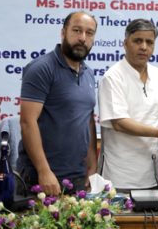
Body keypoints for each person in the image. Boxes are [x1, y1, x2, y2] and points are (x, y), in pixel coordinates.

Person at [16, 11, 98, 196]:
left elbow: (88, 119)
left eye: (89, 33)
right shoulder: (41, 68)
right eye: (76, 30)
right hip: (41, 177)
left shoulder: (89, 73)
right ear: (63, 32)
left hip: (77, 177)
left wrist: (92, 167)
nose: (82, 38)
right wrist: (44, 171)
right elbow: (27, 122)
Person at [98, 19, 158, 193]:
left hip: (154, 173)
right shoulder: (112, 77)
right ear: (125, 43)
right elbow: (119, 122)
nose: (144, 47)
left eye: (149, 42)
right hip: (121, 176)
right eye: (138, 41)